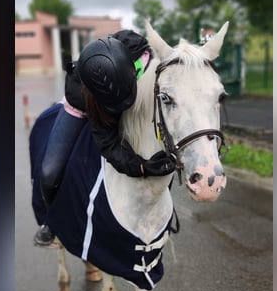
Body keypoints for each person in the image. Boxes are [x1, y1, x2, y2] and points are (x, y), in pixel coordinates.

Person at [34, 30, 177, 247]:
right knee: (49, 170)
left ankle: (164, 213)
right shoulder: (87, 94)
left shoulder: (143, 55)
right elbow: (107, 142)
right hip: (85, 108)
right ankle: (50, 221)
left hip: (122, 94)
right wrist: (140, 167)